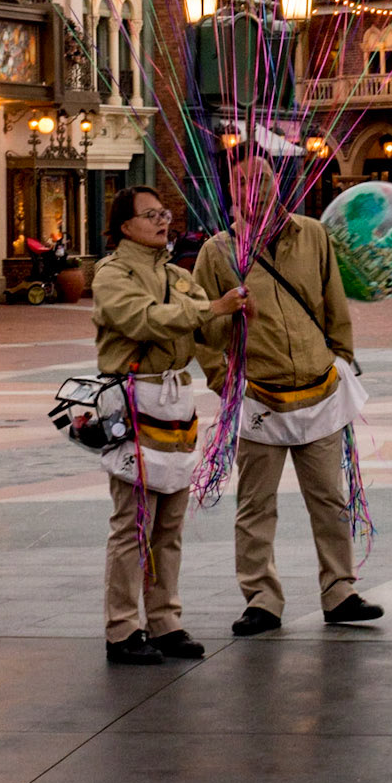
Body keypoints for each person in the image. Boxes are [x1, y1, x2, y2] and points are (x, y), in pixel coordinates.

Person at [194, 152, 382, 636]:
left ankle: (340, 591)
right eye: (242, 182)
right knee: (256, 505)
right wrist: (224, 383)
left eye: (261, 177)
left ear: (278, 183)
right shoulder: (217, 253)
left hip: (319, 390)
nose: (253, 188)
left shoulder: (313, 235)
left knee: (329, 500)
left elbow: (333, 302)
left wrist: (340, 359)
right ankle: (261, 598)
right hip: (258, 397)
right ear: (230, 193)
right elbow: (201, 325)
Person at [90, 185, 249, 666]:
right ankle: (122, 628)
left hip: (177, 403)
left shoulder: (179, 275)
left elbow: (207, 330)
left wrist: (238, 314)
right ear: (125, 226)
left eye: (164, 212)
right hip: (135, 398)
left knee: (170, 522)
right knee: (133, 522)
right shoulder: (111, 274)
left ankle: (164, 620)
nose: (163, 221)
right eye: (151, 214)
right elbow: (143, 321)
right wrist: (213, 309)